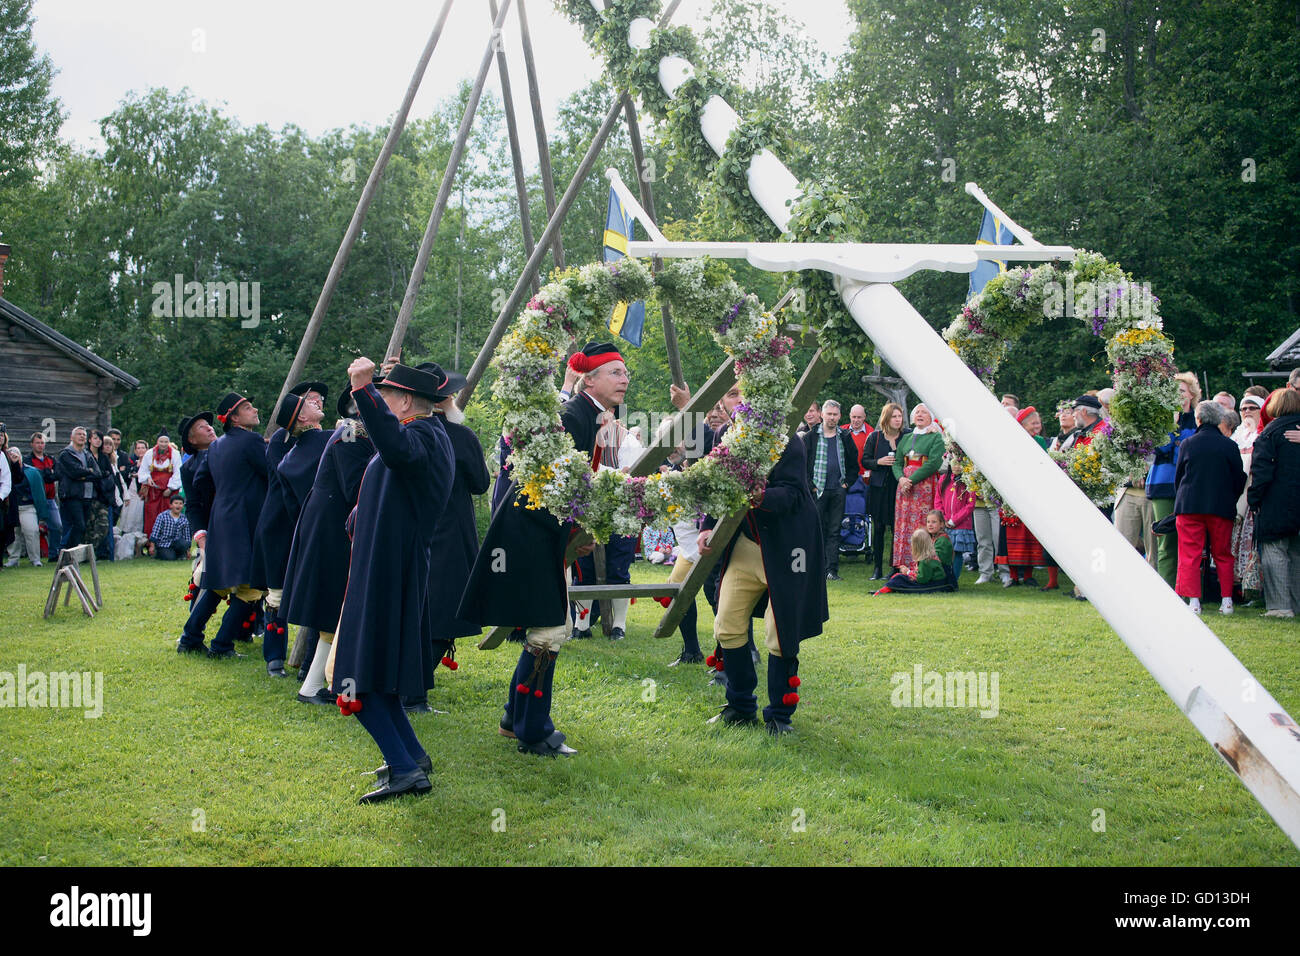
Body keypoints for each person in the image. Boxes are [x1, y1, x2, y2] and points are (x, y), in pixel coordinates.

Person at [330, 359, 454, 802]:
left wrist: (362, 389)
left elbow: (396, 452)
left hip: (388, 571)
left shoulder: (419, 436)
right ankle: (411, 759)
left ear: (403, 401)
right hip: (385, 566)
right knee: (375, 673)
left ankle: (405, 770)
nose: (377, 403)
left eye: (384, 396)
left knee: (357, 676)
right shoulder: (422, 435)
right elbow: (394, 476)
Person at [698, 408, 828, 736]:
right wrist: (708, 525)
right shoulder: (724, 435)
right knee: (726, 624)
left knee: (779, 632)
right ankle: (740, 707)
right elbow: (718, 487)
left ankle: (779, 716)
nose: (736, 402)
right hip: (744, 543)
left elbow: (794, 494)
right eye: (731, 395)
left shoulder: (787, 440)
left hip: (787, 547)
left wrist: (759, 495)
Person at [402, 363, 489, 714]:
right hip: (451, 531)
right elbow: (481, 483)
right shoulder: (460, 436)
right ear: (444, 398)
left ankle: (410, 689)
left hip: (410, 527)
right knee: (445, 611)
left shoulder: (403, 431)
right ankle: (414, 692)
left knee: (416, 609)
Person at [284, 385, 375, 705]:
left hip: (331, 524)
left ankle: (314, 683)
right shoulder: (353, 434)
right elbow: (355, 487)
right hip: (331, 528)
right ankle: (312, 686)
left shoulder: (357, 433)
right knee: (331, 607)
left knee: (332, 609)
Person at [250, 382, 329, 678]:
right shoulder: (284, 446)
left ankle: (307, 663)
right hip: (280, 523)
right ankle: (274, 657)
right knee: (277, 594)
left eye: (320, 399)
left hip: (303, 521)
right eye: (311, 401)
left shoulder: (320, 437)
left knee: (313, 591)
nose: (319, 402)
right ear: (300, 416)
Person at [564, 343, 636, 641]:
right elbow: (565, 480)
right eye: (616, 372)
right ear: (589, 379)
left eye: (626, 373)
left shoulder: (594, 414)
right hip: (553, 529)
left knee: (551, 634)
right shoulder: (573, 416)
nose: (625, 379)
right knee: (549, 633)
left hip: (574, 528)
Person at [194, 392, 269, 659]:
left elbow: (200, 481)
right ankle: (222, 644)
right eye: (249, 408)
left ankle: (191, 636)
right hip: (244, 520)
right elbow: (271, 471)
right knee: (251, 587)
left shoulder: (215, 446)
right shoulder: (251, 441)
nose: (255, 409)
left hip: (221, 517)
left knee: (218, 584)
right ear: (235, 418)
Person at [1174, 401, 1246, 614]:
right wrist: (1230, 497)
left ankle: (1194, 602)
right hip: (1221, 506)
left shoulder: (1188, 444)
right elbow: (1238, 478)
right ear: (1220, 420)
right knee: (1223, 553)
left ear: (1198, 419)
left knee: (1190, 553)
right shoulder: (1229, 446)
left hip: (1190, 505)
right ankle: (1227, 602)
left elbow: (1179, 477)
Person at [1248, 388, 1300, 618]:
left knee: (1275, 552)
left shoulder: (1270, 433)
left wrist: (1254, 499)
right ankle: (1297, 605)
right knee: (1297, 554)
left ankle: (1280, 606)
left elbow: (1261, 472)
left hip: (1276, 503)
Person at [1146, 371, 1200, 586]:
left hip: (1190, 484)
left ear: (1191, 394)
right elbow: (1161, 448)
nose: (1177, 396)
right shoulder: (1162, 421)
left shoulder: (1198, 419)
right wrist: (1171, 425)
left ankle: (1190, 592)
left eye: (1181, 391)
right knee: (1166, 541)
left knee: (1190, 542)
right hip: (1163, 484)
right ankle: (1167, 589)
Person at [175, 410, 220, 654]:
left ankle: (244, 630)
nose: (210, 428)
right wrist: (200, 536)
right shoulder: (189, 467)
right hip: (212, 528)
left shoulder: (225, 451)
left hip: (232, 523)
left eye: (209, 425)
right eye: (202, 427)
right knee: (205, 578)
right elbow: (192, 505)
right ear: (192, 440)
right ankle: (191, 636)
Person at [802, 398, 860, 581]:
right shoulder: (810, 437)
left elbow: (853, 464)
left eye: (835, 414)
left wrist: (846, 484)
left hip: (837, 490)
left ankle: (832, 570)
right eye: (829, 414)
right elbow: (802, 465)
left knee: (834, 531)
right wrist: (810, 485)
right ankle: (815, 568)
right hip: (817, 490)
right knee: (816, 529)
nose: (832, 418)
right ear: (822, 415)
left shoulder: (845, 436)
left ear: (840, 416)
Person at [892, 403, 944, 574]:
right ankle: (902, 564)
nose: (920, 415)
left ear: (930, 417)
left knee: (922, 523)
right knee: (903, 524)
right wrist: (901, 478)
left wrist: (911, 480)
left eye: (924, 412)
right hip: (904, 489)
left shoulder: (935, 437)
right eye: (917, 412)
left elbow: (934, 462)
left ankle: (921, 564)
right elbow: (898, 462)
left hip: (923, 487)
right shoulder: (906, 438)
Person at [863, 403, 904, 580]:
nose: (897, 420)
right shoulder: (875, 437)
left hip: (899, 488)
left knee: (897, 530)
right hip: (879, 489)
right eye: (894, 416)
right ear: (886, 418)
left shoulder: (907, 436)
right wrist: (878, 462)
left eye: (899, 416)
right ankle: (877, 568)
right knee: (878, 528)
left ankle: (895, 567)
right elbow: (865, 460)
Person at [3, 447, 49, 567]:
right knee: (14, 533)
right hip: (11, 507)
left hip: (27, 507)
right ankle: (13, 558)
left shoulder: (32, 472)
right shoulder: (6, 472)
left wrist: (42, 512)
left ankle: (35, 558)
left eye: (16, 456)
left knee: (32, 531)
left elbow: (40, 493)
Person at [57, 426, 100, 553]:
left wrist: (83, 475)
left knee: (83, 526)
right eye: (79, 434)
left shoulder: (87, 454)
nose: (82, 437)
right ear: (72, 437)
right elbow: (74, 472)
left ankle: (71, 553)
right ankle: (66, 552)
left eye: (84, 435)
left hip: (87, 495)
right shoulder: (66, 454)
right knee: (78, 525)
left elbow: (97, 473)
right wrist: (87, 472)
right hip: (72, 495)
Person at [137, 432, 182, 549]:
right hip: (153, 491)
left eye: (166, 441)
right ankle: (151, 544)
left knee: (169, 515)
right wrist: (148, 479)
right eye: (161, 441)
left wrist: (170, 487)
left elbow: (178, 472)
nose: (163, 444)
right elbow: (143, 470)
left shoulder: (175, 454)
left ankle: (169, 543)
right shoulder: (149, 453)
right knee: (152, 515)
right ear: (157, 442)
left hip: (169, 492)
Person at [874, 528, 952, 594]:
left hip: (934, 583)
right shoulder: (929, 557)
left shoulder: (926, 561)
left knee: (899, 578)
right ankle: (887, 588)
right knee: (898, 576)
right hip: (933, 581)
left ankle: (886, 589)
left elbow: (922, 579)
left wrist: (908, 572)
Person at [935, 462, 975, 584]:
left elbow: (970, 505)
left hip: (961, 524)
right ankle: (943, 579)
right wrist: (943, 518)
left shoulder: (969, 482)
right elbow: (938, 499)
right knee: (944, 552)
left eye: (960, 464)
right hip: (945, 523)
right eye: (954, 463)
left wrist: (954, 520)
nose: (957, 467)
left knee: (957, 553)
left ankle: (953, 581)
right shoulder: (943, 479)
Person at [25, 432, 63, 554]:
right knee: (33, 529)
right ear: (32, 444)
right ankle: (35, 555)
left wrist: (47, 475)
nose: (40, 445)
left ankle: (54, 552)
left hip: (50, 498)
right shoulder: (27, 460)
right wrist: (46, 474)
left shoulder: (50, 459)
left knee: (57, 526)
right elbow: (33, 476)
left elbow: (57, 474)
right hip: (33, 499)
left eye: (42, 443)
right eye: (37, 443)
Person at [87, 429, 118, 559]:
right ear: (90, 440)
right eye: (95, 438)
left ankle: (92, 551)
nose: (98, 441)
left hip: (103, 497)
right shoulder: (86, 455)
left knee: (103, 526)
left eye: (99, 438)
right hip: (90, 496)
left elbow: (110, 476)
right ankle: (87, 554)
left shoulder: (104, 458)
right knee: (89, 526)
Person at [149, 495, 192, 560]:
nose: (178, 505)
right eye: (176, 503)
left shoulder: (184, 519)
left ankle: (181, 554)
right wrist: (152, 546)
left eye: (180, 504)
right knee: (170, 558)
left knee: (185, 543)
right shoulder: (162, 516)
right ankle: (160, 553)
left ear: (183, 506)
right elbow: (155, 532)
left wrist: (188, 550)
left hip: (177, 543)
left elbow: (187, 536)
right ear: (171, 505)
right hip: (164, 544)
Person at [843, 403, 873, 480]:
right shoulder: (841, 431)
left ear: (864, 417)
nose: (856, 420)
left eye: (859, 417)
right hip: (844, 476)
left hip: (863, 477)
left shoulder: (872, 433)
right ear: (850, 416)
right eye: (854, 417)